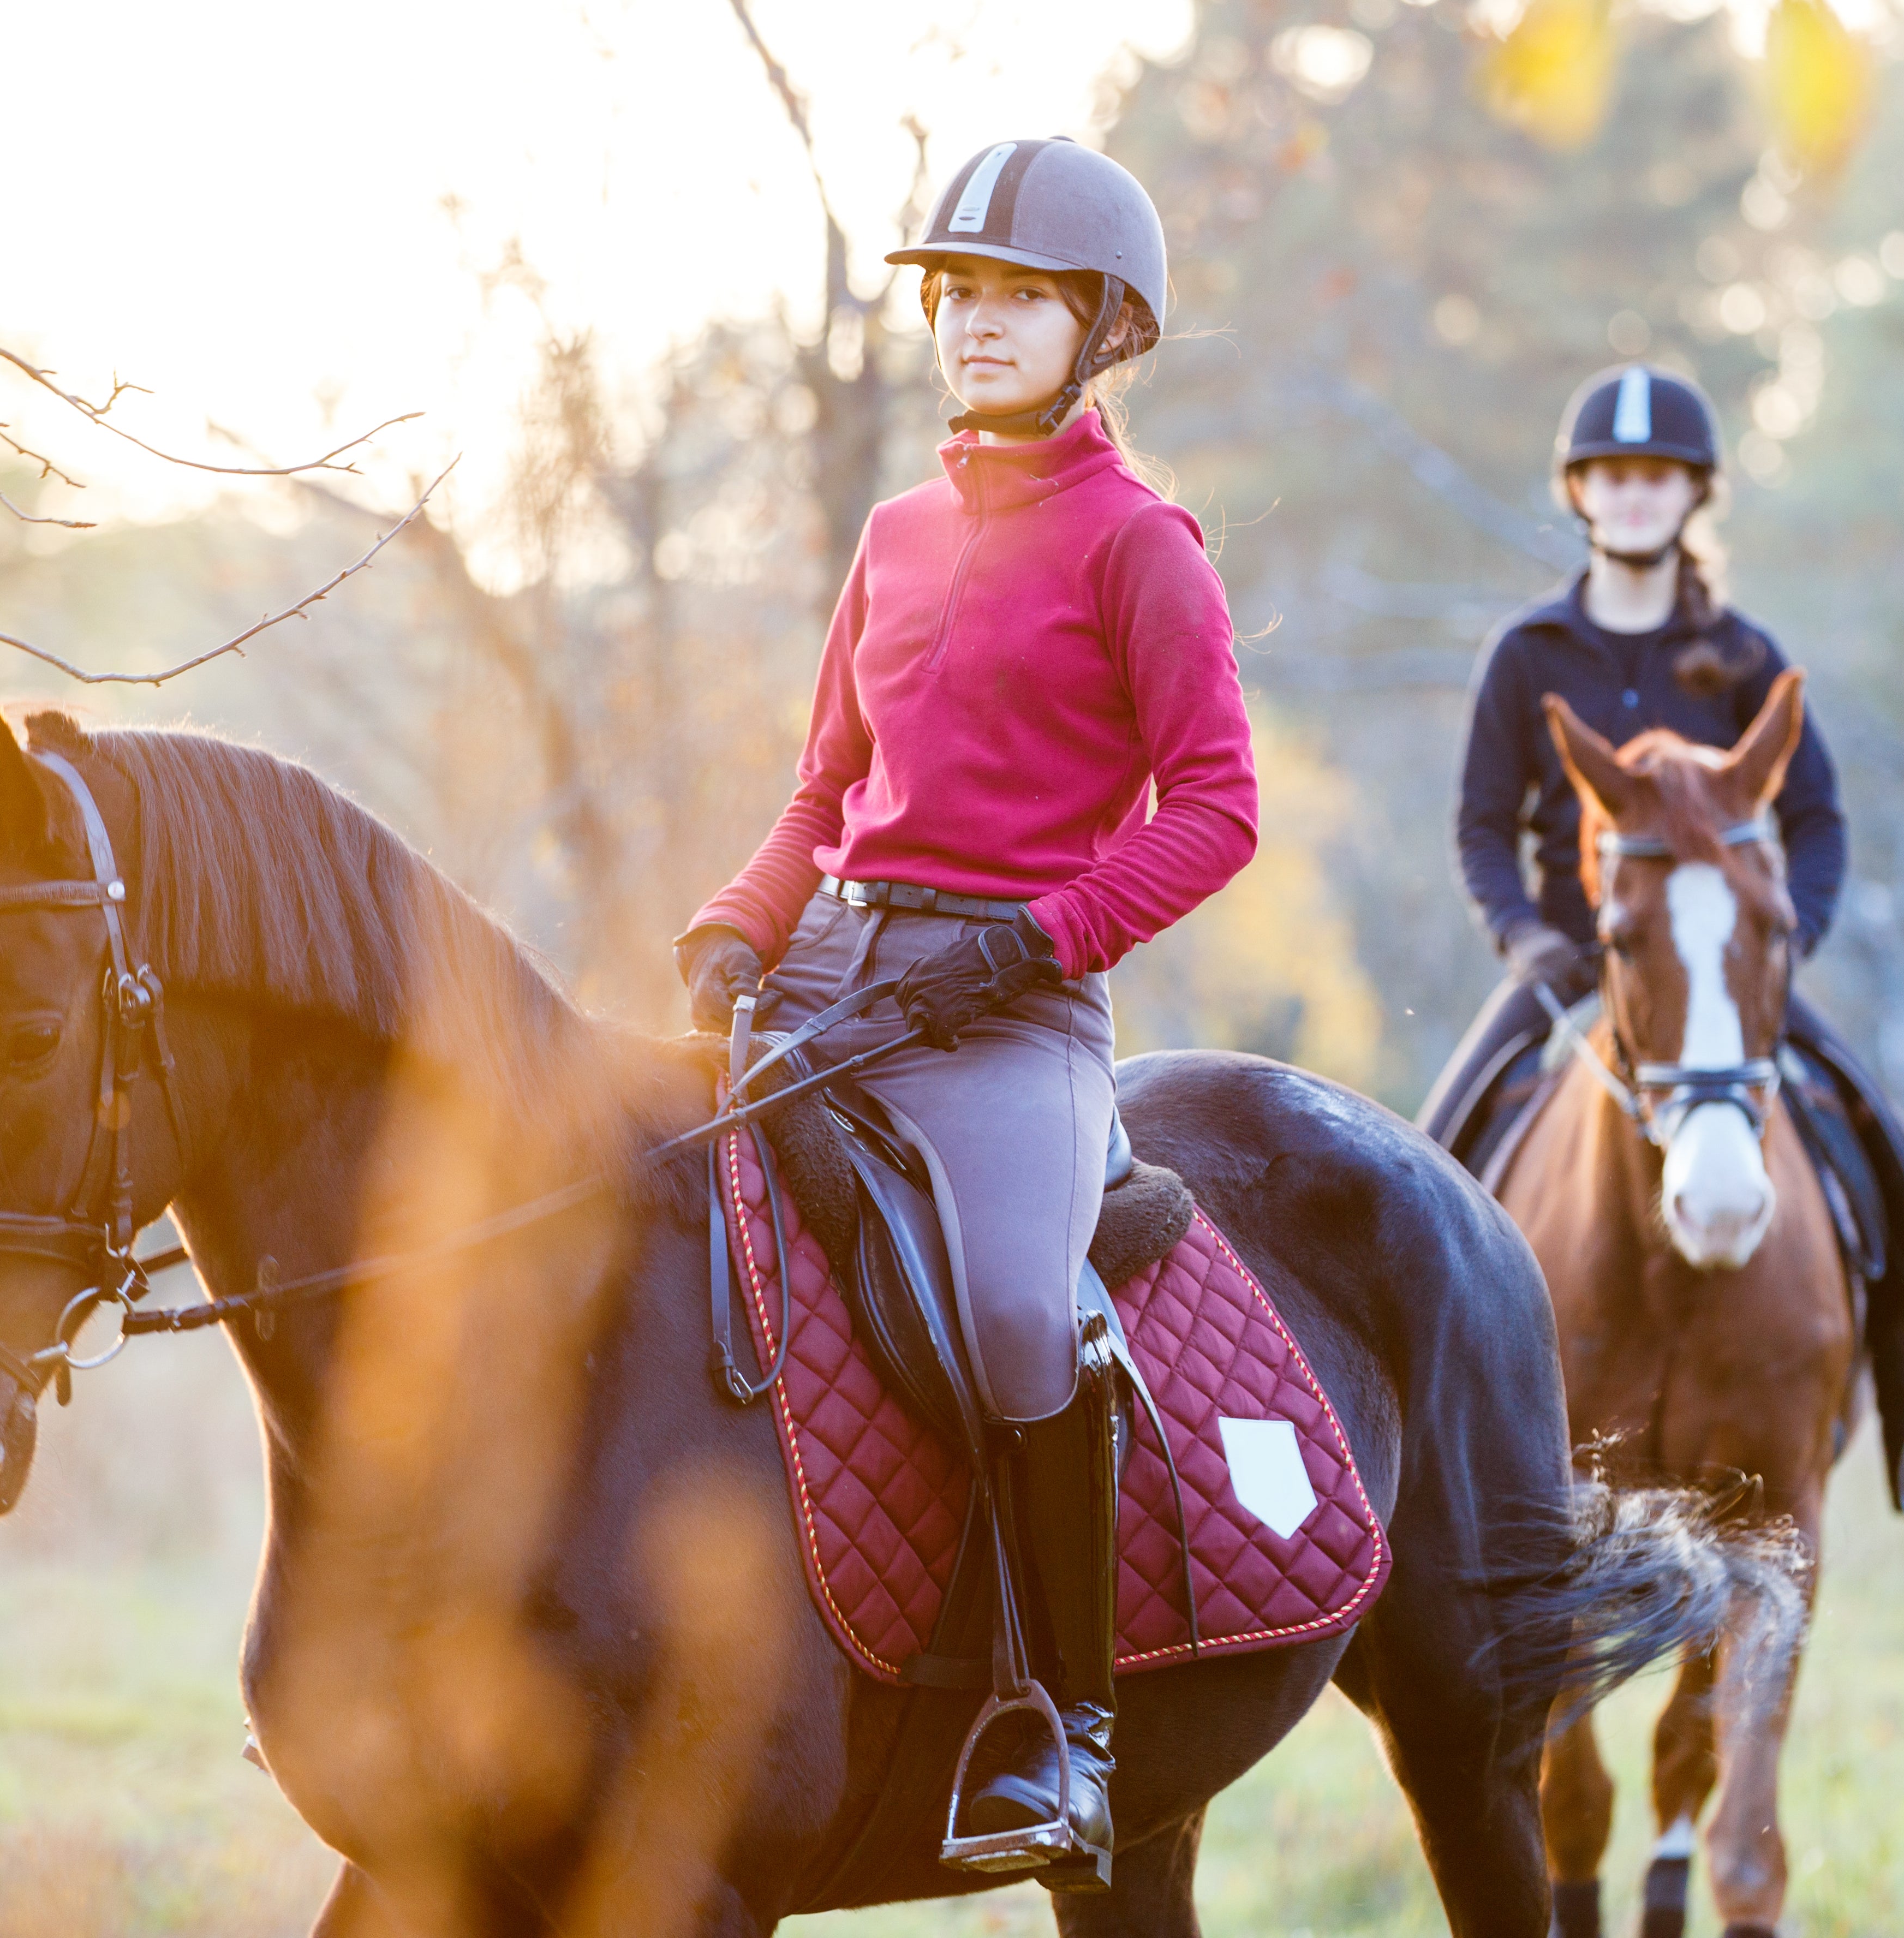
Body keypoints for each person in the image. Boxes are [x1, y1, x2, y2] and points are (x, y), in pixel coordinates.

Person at [673, 138, 1256, 1883]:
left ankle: (1065, 1733)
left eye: (1020, 298)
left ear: (1101, 330)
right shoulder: (895, 534)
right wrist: (734, 923)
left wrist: (1028, 946)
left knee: (1012, 1313)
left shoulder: (1145, 549)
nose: (978, 326)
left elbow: (1216, 813)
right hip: (838, 978)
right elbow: (818, 789)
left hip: (1012, 1020)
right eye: (961, 296)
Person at [1419, 362, 1904, 1531]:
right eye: (1613, 477)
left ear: (1693, 496)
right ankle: (1414, 1449)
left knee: (1882, 1151)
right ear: (1580, 492)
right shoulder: (1526, 654)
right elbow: (1482, 826)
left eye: (1657, 479)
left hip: (1726, 983)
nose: (1633, 498)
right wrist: (1524, 936)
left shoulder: (1741, 657)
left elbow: (1818, 824)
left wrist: (1780, 950)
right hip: (1574, 972)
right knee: (1429, 1162)